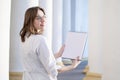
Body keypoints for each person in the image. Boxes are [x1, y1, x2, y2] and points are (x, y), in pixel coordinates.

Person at [19, 6, 80, 80]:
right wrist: (72, 66)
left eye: (44, 17)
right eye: (38, 18)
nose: (43, 20)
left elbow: (38, 61)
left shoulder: (24, 39)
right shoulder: (40, 40)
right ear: (30, 21)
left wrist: (58, 54)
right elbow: (52, 69)